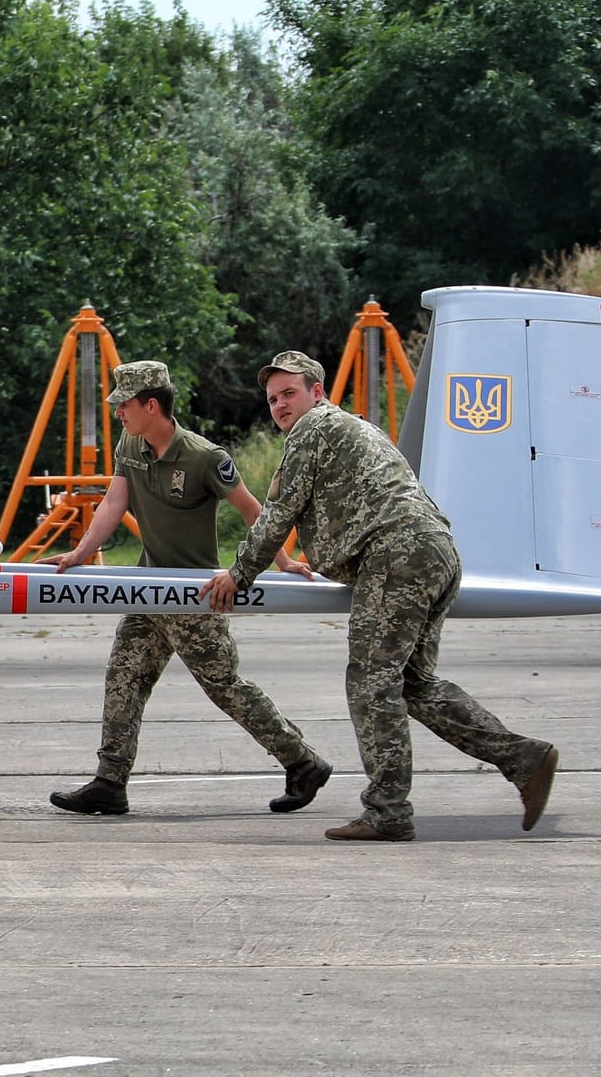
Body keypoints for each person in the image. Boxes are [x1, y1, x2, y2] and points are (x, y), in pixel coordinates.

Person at [201, 352, 560, 841]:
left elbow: (279, 513)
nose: (281, 405)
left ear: (317, 393)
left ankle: (388, 812)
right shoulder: (356, 429)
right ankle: (524, 758)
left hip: (396, 557)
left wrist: (238, 574)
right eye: (273, 399)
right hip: (432, 552)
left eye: (289, 393)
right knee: (413, 684)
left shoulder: (314, 428)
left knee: (370, 681)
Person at [47, 360, 333, 817]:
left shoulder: (205, 457)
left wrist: (281, 560)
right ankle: (109, 782)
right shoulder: (131, 443)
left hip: (193, 596)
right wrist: (79, 554)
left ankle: (303, 761)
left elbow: (250, 508)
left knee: (224, 686)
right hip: (148, 590)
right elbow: (113, 502)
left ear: (152, 405)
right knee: (125, 677)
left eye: (125, 405)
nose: (119, 413)